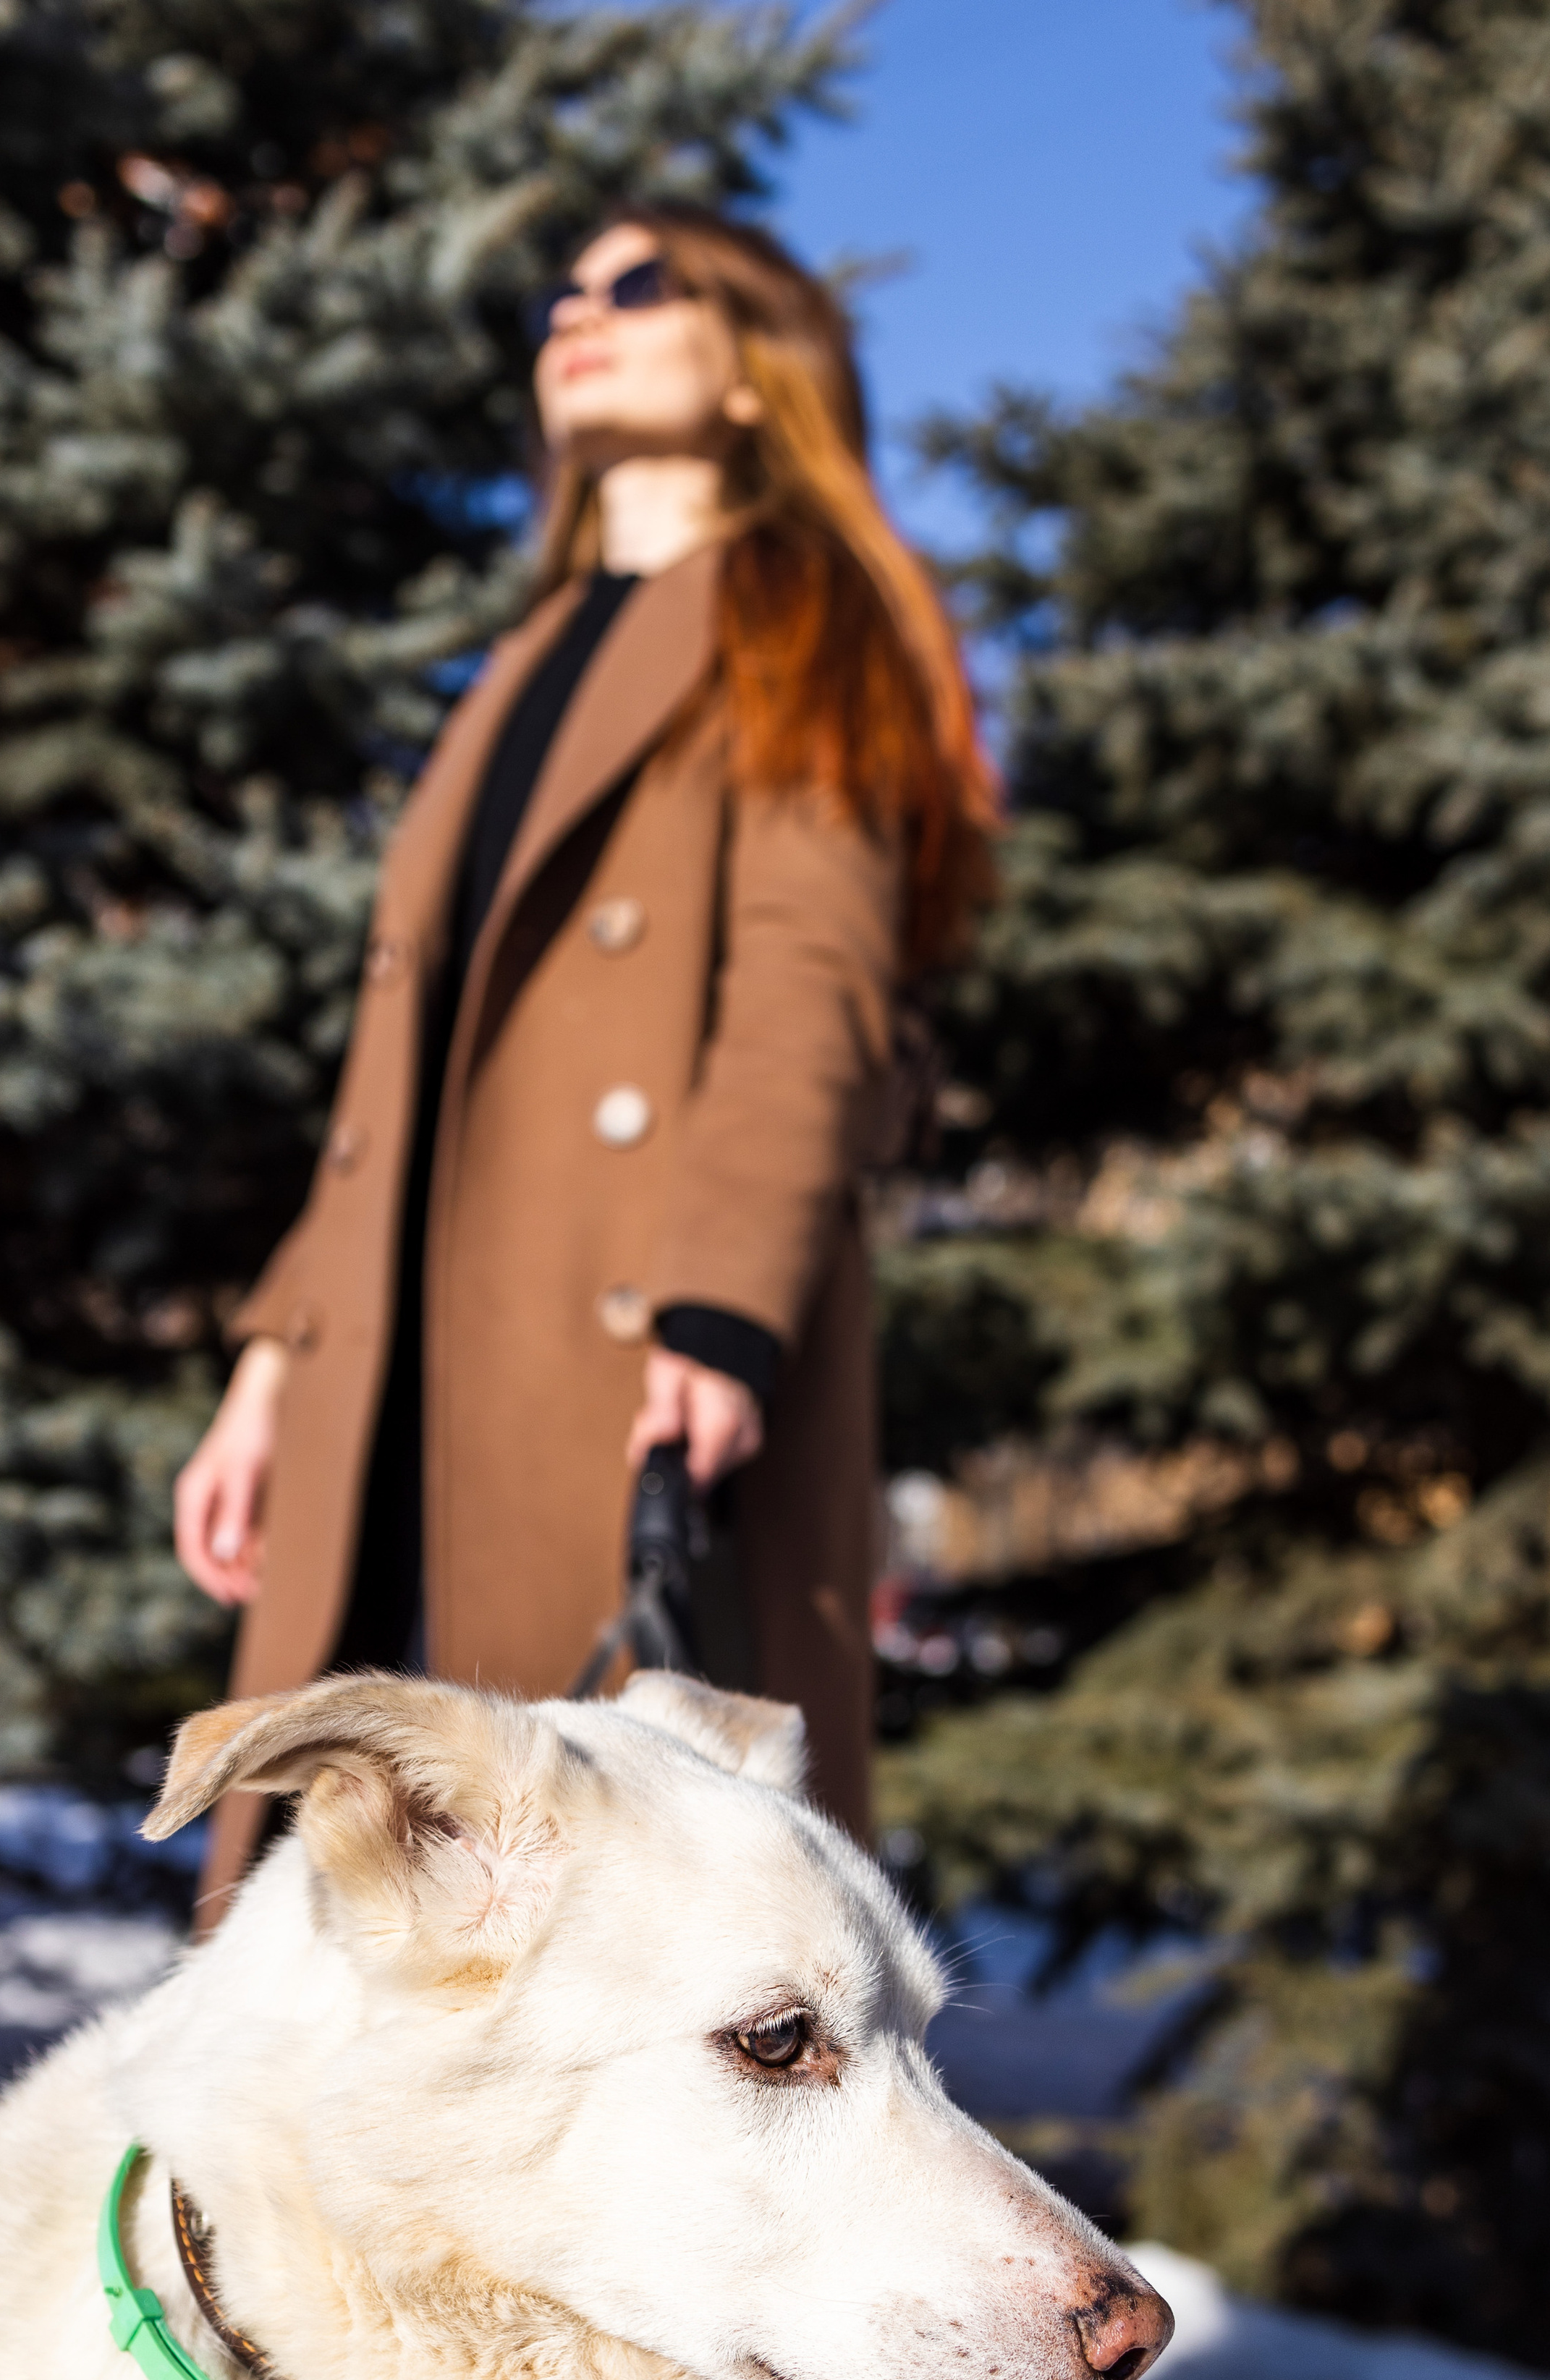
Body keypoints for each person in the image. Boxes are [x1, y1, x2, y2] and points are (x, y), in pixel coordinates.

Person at [174, 204, 996, 1924]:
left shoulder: (795, 608)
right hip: (391, 1370)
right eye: (561, 292)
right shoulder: (531, 658)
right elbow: (400, 1087)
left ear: (760, 368)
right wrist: (278, 1355)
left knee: (579, 1949)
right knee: (350, 1914)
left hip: (627, 1334)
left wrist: (720, 1305)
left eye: (641, 287)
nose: (578, 313)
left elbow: (810, 980)